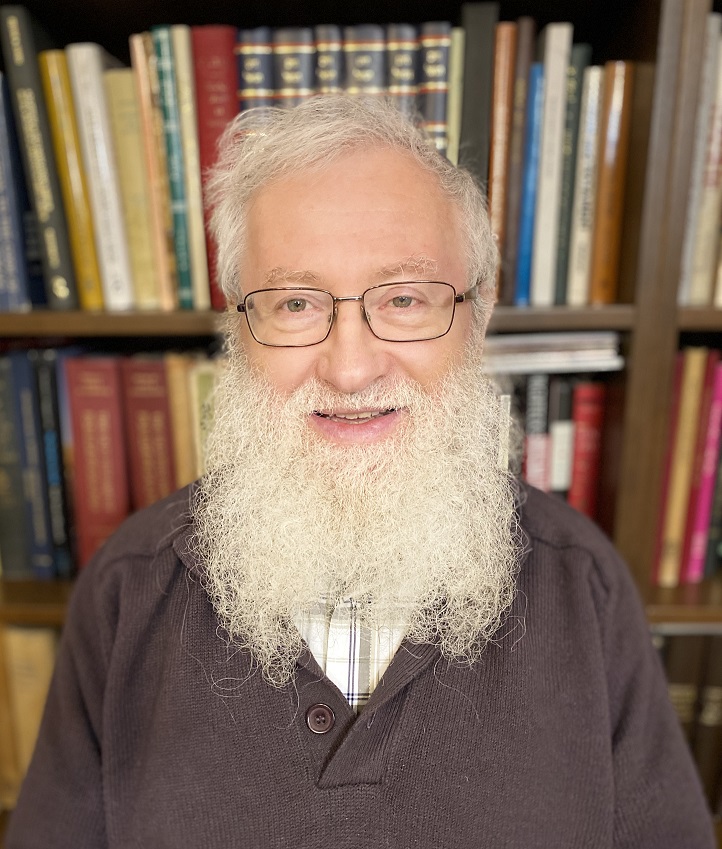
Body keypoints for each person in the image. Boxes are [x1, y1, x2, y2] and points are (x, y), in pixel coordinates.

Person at [6, 95, 715, 848]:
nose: (350, 368)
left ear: (477, 317)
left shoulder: (585, 585)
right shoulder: (128, 588)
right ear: (240, 329)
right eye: (295, 303)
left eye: (405, 298)